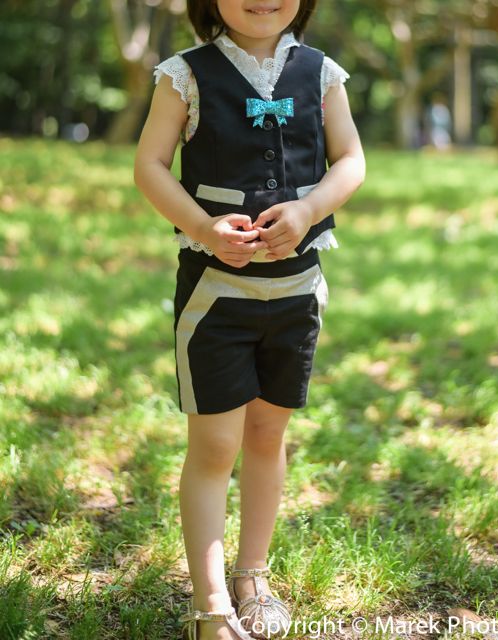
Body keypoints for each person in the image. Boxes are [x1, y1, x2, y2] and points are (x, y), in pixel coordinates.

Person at [134, 1, 365, 638]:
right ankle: (210, 606)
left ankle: (253, 576)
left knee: (267, 436)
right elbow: (149, 165)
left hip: (297, 293)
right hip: (216, 296)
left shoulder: (322, 73)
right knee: (214, 446)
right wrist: (202, 225)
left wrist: (309, 208)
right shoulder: (184, 74)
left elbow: (351, 159)